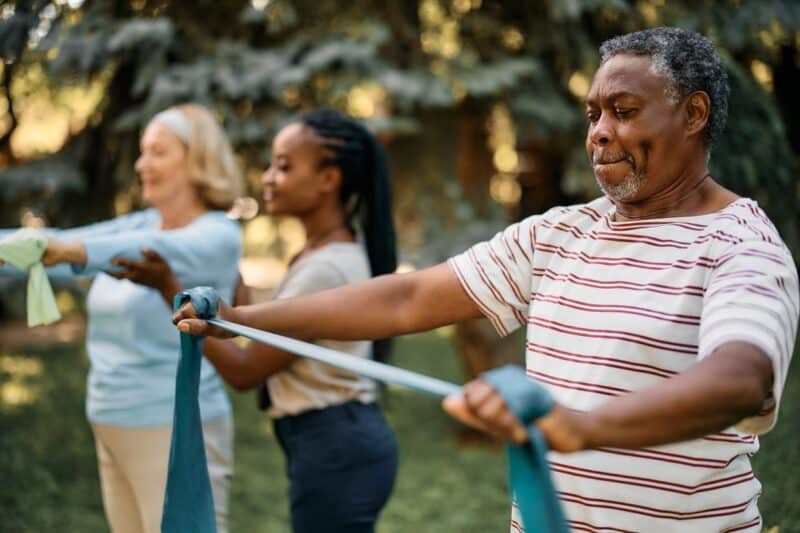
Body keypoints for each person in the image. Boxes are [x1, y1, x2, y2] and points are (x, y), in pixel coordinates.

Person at [174, 28, 799, 533]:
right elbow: (407, 296)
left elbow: (741, 380)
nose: (600, 131)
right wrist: (245, 318)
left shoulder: (740, 244)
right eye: (593, 114)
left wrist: (580, 427)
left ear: (693, 115)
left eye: (624, 111)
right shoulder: (559, 232)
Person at [125, 108, 399, 533]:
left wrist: (168, 288)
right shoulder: (319, 254)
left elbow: (244, 369)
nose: (268, 177)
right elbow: (260, 330)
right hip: (333, 441)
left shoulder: (326, 269)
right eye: (272, 163)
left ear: (329, 179)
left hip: (336, 448)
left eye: (284, 166)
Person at [0, 104, 243, 533]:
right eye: (142, 151)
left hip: (175, 425)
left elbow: (141, 250)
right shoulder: (145, 221)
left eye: (157, 152)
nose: (140, 163)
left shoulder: (218, 234)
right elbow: (60, 247)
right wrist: (27, 248)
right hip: (112, 419)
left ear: (197, 159)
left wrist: (71, 251)